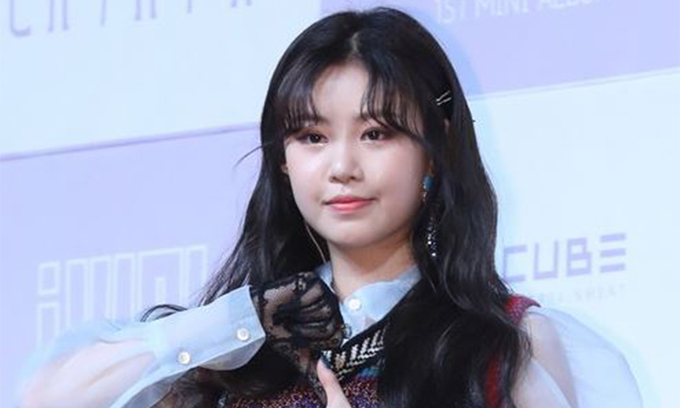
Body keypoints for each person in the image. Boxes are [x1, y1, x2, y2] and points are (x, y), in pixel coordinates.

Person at [17, 6, 642, 408]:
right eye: (312, 137)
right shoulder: (234, 346)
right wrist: (238, 320)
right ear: (283, 160)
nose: (342, 165)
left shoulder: (505, 343)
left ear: (436, 150)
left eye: (376, 133)